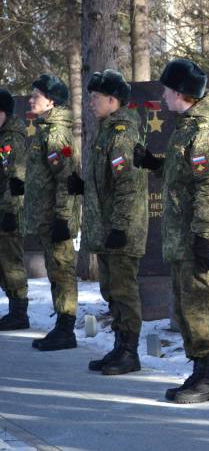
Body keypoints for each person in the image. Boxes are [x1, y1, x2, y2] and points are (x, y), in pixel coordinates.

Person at [134, 59, 209, 403]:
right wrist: (154, 165)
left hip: (196, 238)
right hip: (183, 237)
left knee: (198, 307)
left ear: (180, 93)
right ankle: (200, 372)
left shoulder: (204, 132)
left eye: (166, 90)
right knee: (186, 307)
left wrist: (203, 235)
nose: (163, 96)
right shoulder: (188, 127)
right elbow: (184, 177)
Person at [67, 70, 148, 375]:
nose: (91, 102)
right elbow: (107, 182)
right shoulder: (106, 130)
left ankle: (129, 352)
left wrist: (120, 227)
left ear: (113, 100)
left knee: (124, 291)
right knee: (111, 290)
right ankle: (119, 347)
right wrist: (84, 187)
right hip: (106, 227)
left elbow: (127, 184)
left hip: (120, 229)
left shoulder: (121, 133)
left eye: (96, 97)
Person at [26, 74, 80, 351]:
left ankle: (66, 329)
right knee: (55, 272)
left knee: (62, 271)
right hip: (47, 217)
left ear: (51, 101)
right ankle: (61, 325)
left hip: (56, 218)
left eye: (36, 95)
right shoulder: (45, 130)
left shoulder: (56, 133)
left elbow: (65, 179)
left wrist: (62, 218)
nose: (30, 100)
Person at [0, 88, 29, 330]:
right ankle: (14, 309)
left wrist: (10, 211)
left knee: (11, 263)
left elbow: (16, 178)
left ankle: (19, 313)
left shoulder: (11, 140)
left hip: (8, 211)